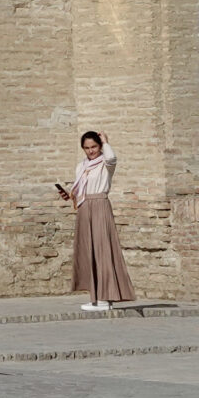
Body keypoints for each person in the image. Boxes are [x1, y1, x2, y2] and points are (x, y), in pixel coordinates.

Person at [60, 130, 135, 311]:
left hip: (100, 205)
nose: (91, 151)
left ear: (99, 146)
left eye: (94, 147)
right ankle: (95, 297)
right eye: (87, 148)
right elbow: (79, 192)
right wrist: (68, 195)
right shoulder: (81, 166)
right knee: (88, 251)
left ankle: (105, 298)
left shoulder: (105, 163)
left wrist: (106, 142)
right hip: (85, 208)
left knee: (103, 250)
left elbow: (112, 158)